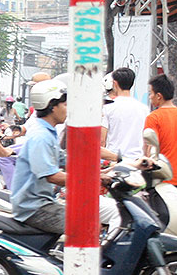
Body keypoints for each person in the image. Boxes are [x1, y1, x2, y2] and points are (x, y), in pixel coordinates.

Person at [11, 79, 119, 235]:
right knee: (90, 229)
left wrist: (100, 173)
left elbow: (66, 160)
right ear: (52, 106)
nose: (68, 110)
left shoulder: (48, 131)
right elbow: (52, 176)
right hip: (34, 208)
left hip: (44, 202)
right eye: (65, 105)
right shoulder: (41, 136)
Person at [101, 67, 149, 161]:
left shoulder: (108, 107)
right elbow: (147, 140)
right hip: (137, 161)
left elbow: (102, 140)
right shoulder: (144, 109)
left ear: (115, 83)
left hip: (114, 160)